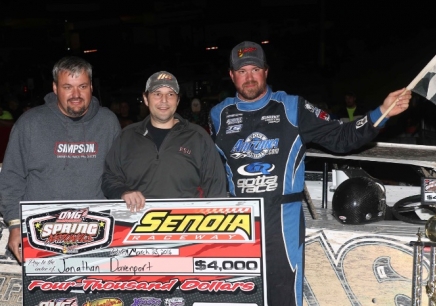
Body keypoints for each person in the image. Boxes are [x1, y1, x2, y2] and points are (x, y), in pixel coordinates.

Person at [208, 41, 412, 306]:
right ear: (232, 75)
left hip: (282, 220)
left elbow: (342, 137)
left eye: (255, 69)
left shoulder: (292, 107)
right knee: (239, 297)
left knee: (283, 296)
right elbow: (209, 166)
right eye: (242, 70)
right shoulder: (218, 114)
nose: (249, 77)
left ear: (266, 72)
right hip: (238, 221)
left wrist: (381, 112)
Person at [0, 56, 121, 263]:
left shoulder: (108, 122)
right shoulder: (30, 123)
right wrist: (15, 224)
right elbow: (12, 176)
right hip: (39, 234)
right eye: (68, 87)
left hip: (97, 235)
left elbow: (119, 174)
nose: (76, 95)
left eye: (82, 86)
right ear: (55, 88)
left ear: (91, 86)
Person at [102, 71, 227, 212]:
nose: (164, 100)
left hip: (187, 226)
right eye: (157, 94)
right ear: (146, 98)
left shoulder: (198, 137)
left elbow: (216, 188)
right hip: (134, 227)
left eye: (170, 94)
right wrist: (123, 192)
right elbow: (109, 177)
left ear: (178, 100)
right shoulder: (127, 137)